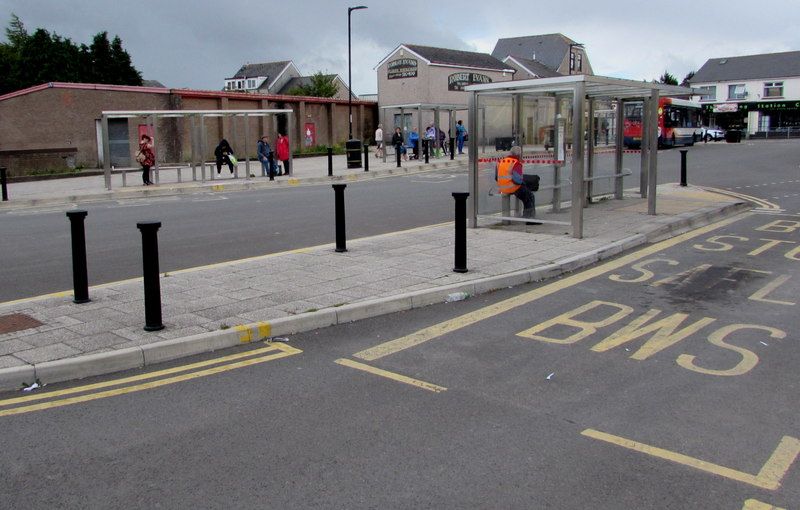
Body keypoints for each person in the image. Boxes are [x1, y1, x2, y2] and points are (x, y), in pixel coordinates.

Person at [495, 145, 539, 223]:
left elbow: (496, 177)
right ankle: (530, 218)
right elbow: (517, 181)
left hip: (502, 187)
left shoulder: (501, 161)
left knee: (526, 193)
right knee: (530, 196)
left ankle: (527, 216)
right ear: (519, 155)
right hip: (513, 187)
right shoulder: (515, 163)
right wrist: (523, 181)